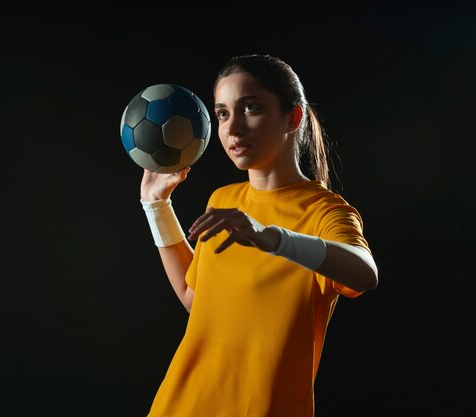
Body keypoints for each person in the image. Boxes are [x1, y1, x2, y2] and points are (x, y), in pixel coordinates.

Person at [139, 54, 378, 417]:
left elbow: (365, 272)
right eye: (222, 114)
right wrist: (156, 207)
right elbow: (196, 299)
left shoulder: (325, 211)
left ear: (292, 117)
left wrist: (274, 238)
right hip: (182, 404)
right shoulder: (223, 200)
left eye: (250, 107)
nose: (233, 128)